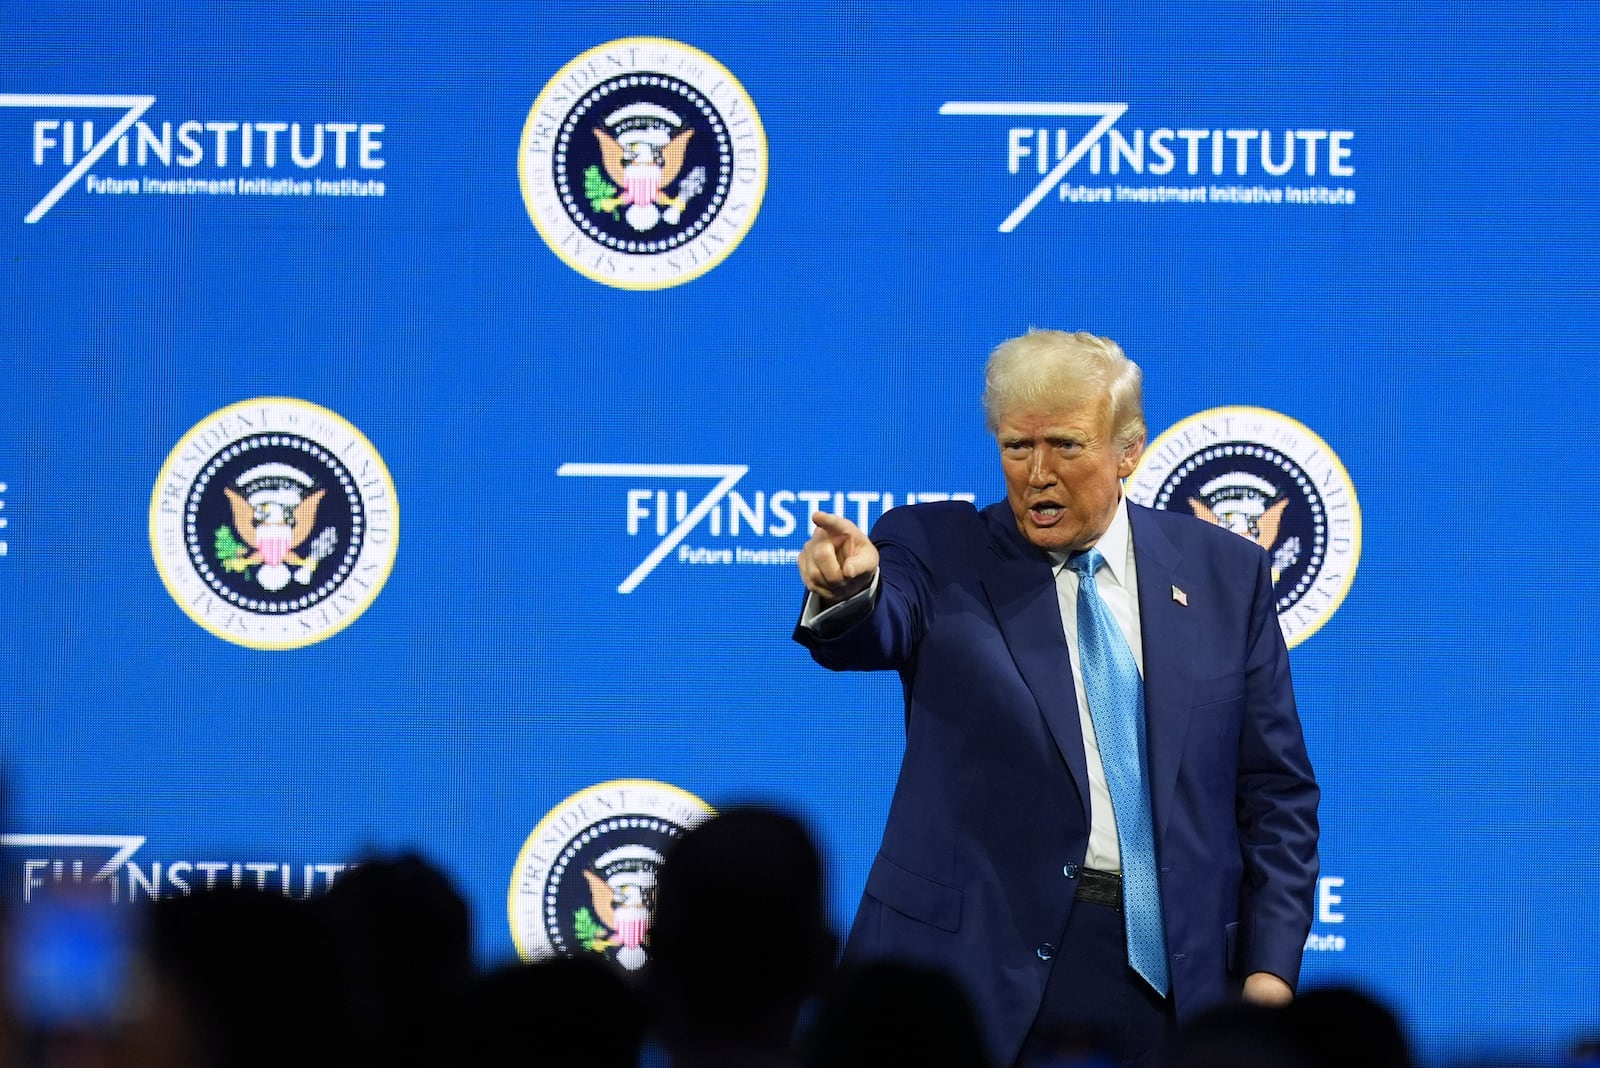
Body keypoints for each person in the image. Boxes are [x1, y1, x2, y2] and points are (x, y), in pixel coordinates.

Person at [793, 329, 1319, 1068]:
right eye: (1017, 447)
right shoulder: (939, 549)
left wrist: (1268, 973)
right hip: (973, 967)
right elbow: (878, 623)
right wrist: (850, 590)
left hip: (1173, 976)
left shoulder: (1226, 575)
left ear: (1127, 451)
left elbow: (1275, 793)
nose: (1037, 474)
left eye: (1066, 447)